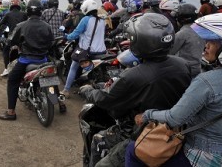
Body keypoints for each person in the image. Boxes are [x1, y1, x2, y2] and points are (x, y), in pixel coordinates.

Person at [125, 13, 222, 167]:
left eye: (214, 42)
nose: (206, 45)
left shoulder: (207, 81)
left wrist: (147, 115)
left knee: (134, 151)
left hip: (202, 156)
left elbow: (174, 118)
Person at [79, 13, 192, 166]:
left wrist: (87, 90)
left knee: (98, 142)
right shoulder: (182, 64)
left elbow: (106, 100)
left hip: (142, 131)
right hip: (172, 128)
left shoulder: (133, 76)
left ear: (140, 41)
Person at [0, 0, 55, 121]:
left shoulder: (21, 26)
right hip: (43, 60)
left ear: (28, 11)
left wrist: (6, 41)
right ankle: (59, 103)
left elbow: (10, 41)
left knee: (12, 81)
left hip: (26, 60)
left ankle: (11, 112)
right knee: (51, 79)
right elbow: (51, 42)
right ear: (40, 11)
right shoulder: (47, 26)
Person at [61, 0, 107, 98]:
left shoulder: (86, 20)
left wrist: (66, 36)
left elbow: (75, 34)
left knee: (73, 67)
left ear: (86, 9)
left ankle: (66, 90)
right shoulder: (102, 20)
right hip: (102, 51)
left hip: (87, 51)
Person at [169, 3, 205, 77]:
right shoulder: (201, 31)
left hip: (184, 71)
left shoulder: (182, 34)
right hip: (198, 69)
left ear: (182, 19)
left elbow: (169, 52)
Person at [0, 0, 28, 76]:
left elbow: (1, 25)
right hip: (22, 39)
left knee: (5, 51)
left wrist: (6, 31)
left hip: (11, 39)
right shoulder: (24, 14)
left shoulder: (8, 14)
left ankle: (6, 68)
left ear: (11, 5)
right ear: (19, 5)